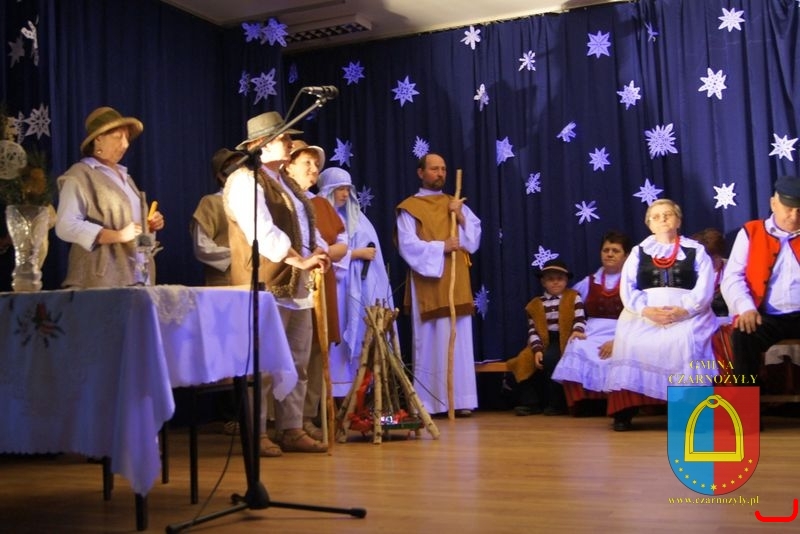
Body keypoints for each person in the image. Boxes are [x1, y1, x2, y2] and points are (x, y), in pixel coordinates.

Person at [223, 111, 330, 456]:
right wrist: (298, 259)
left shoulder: (286, 183)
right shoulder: (245, 180)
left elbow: (305, 224)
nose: (288, 142)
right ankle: (256, 432)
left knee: (296, 358)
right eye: (283, 137)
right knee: (261, 361)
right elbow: (262, 231)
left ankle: (291, 427)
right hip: (264, 282)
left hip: (296, 284)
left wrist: (319, 251)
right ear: (260, 144)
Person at [604, 199, 717, 431]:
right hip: (644, 312)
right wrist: (645, 310)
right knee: (631, 340)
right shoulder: (638, 252)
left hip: (688, 313)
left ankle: (689, 413)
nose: (662, 219)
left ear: (679, 220)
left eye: (668, 214)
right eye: (656, 216)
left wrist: (685, 310)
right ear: (649, 224)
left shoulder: (696, 251)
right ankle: (624, 412)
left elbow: (705, 287)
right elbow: (627, 288)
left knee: (684, 341)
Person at [396, 152, 482, 417]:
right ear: (421, 172)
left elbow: (473, 241)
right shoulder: (410, 207)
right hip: (429, 284)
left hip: (456, 282)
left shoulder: (453, 203)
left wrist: (461, 216)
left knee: (459, 341)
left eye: (443, 169)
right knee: (431, 342)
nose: (440, 174)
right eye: (434, 169)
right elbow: (407, 245)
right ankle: (431, 403)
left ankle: (461, 400)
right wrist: (442, 246)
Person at [55, 107, 165, 288]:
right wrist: (117, 235)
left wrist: (149, 227)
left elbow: (137, 237)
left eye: (127, 138)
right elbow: (65, 225)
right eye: (118, 137)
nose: (125, 144)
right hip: (99, 281)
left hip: (137, 279)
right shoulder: (80, 175)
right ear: (98, 139)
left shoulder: (126, 178)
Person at [282, 140, 348, 442]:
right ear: (288, 165)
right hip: (287, 280)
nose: (314, 169)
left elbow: (339, 243)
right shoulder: (280, 199)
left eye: (316, 164)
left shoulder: (317, 203)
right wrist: (317, 252)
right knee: (285, 352)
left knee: (312, 351)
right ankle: (279, 422)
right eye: (306, 163)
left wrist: (323, 252)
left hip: (317, 281)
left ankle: (304, 418)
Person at [317, 166, 396, 399]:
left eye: (347, 189)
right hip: (334, 285)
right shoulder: (320, 215)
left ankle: (358, 392)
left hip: (358, 288)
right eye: (340, 189)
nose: (345, 194)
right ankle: (334, 393)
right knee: (337, 335)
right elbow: (321, 250)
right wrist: (355, 254)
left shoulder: (358, 218)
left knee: (360, 333)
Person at [721, 175, 800, 388]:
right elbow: (732, 277)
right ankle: (747, 407)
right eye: (788, 209)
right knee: (743, 335)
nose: (794, 216)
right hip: (765, 316)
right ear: (773, 204)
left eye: (799, 211)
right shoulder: (751, 232)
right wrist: (745, 308)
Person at [552, 231, 632, 415]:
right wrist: (576, 328)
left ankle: (616, 405)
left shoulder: (632, 283)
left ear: (626, 256)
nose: (609, 254)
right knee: (577, 345)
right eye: (606, 250)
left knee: (622, 354)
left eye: (615, 251)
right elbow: (568, 302)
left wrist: (620, 341)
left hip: (622, 331)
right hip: (593, 331)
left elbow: (640, 315)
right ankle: (583, 404)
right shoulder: (589, 281)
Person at [509, 259, 587, 416]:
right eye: (551, 279)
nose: (555, 282)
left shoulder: (574, 297)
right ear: (543, 282)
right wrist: (537, 350)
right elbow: (533, 331)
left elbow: (580, 319)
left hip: (566, 338)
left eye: (560, 279)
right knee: (522, 361)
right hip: (543, 340)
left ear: (566, 281)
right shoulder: (535, 304)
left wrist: (577, 331)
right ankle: (531, 403)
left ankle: (557, 403)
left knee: (551, 359)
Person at [190, 148, 241, 286]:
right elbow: (203, 247)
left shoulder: (254, 202)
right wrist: (240, 257)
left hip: (253, 278)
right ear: (222, 176)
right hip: (224, 281)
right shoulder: (211, 203)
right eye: (236, 169)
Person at [691, 227, 729, 318]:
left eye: (715, 257)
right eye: (707, 258)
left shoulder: (732, 269)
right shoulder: (689, 273)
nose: (711, 262)